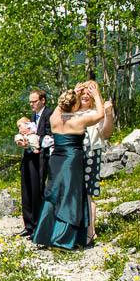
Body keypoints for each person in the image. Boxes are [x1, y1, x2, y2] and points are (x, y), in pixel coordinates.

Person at [32, 86, 105, 250]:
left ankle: (46, 234)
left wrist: (72, 91)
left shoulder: (54, 118)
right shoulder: (79, 120)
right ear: (74, 106)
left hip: (56, 159)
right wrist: (97, 95)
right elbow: (100, 114)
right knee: (70, 196)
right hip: (72, 161)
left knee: (53, 194)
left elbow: (60, 107)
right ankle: (63, 238)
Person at [71, 81, 115, 246]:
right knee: (72, 193)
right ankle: (75, 229)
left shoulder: (99, 112)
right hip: (73, 155)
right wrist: (73, 94)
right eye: (82, 94)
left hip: (90, 154)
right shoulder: (72, 113)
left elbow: (107, 132)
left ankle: (91, 232)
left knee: (88, 192)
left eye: (88, 94)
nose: (84, 96)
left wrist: (103, 106)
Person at [16, 90, 54, 238]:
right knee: (26, 188)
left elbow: (51, 136)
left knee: (37, 189)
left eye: (34, 101)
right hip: (29, 154)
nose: (32, 104)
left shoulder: (49, 114)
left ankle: (39, 225)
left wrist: (36, 136)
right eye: (30, 102)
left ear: (43, 100)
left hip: (41, 156)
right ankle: (29, 225)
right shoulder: (33, 116)